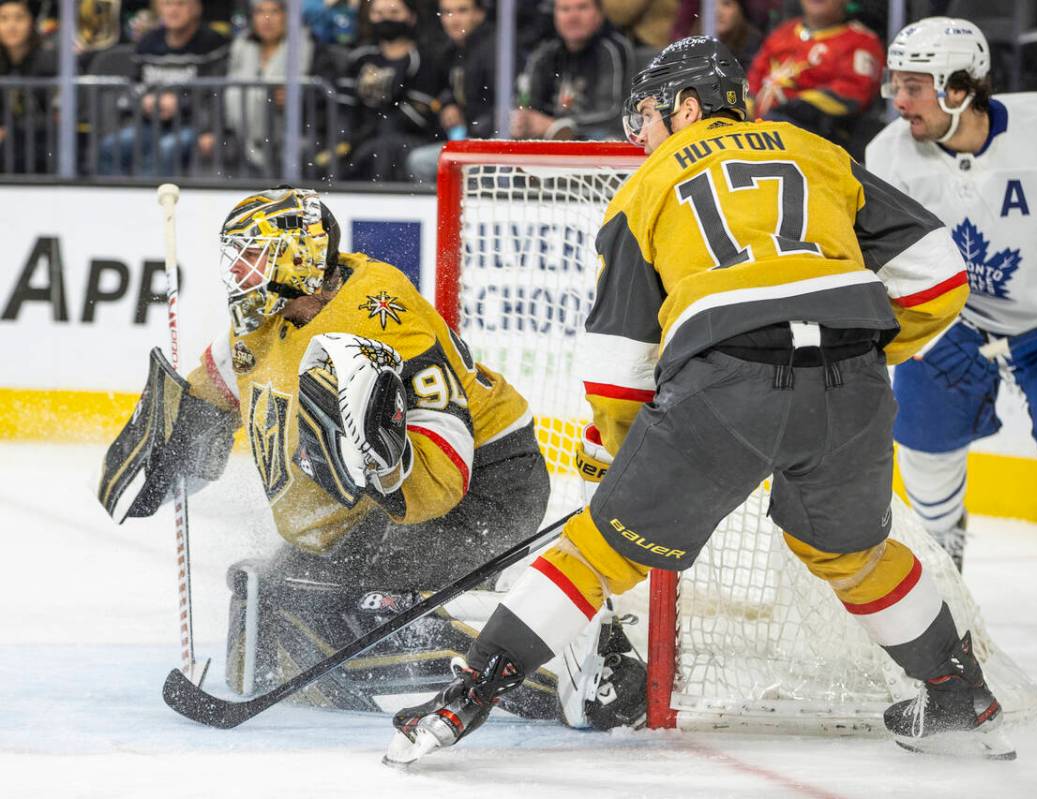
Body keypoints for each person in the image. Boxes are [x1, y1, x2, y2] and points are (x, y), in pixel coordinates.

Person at [385, 36, 1016, 766]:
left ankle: (463, 697)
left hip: (727, 387)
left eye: (647, 117)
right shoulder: (815, 150)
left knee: (594, 553)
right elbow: (939, 274)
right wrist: (867, 350)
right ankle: (955, 689)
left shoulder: (646, 187)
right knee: (851, 554)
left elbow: (619, 367)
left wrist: (622, 448)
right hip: (854, 390)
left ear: (687, 107)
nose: (641, 135)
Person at [95, 186, 639, 725]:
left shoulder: (380, 316)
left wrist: (387, 487)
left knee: (364, 599)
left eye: (253, 256)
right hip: (393, 498)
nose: (239, 273)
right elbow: (221, 378)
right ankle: (399, 640)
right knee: (275, 601)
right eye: (236, 259)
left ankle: (564, 662)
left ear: (298, 257)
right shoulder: (270, 314)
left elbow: (443, 466)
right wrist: (174, 435)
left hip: (485, 486)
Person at [865, 17, 1037, 571]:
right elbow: (887, 262)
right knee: (924, 460)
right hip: (956, 323)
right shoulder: (889, 155)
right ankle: (945, 581)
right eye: (895, 85)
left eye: (914, 87)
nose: (898, 102)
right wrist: (916, 326)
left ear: (960, 88)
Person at [97, 0, 229, 176]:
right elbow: (133, 86)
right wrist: (144, 100)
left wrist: (181, 103)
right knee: (110, 147)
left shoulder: (213, 43)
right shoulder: (147, 42)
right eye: (167, 4)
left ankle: (152, 202)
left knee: (165, 149)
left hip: (194, 124)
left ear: (196, 8)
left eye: (180, 4)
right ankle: (119, 201)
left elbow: (216, 93)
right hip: (150, 123)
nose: (173, 10)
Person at [197, 0, 322, 176]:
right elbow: (214, 94)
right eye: (260, 12)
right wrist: (210, 128)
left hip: (290, 142)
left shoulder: (311, 49)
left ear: (289, 16)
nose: (267, 18)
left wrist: (299, 99)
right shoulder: (236, 49)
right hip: (236, 140)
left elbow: (325, 99)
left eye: (275, 12)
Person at [745, 0, 883, 151]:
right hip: (758, 134)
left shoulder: (862, 41)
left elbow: (852, 94)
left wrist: (788, 111)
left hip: (816, 142)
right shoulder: (783, 32)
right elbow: (753, 81)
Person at [332, 0, 444, 182]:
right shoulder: (360, 57)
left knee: (381, 150)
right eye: (379, 13)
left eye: (394, 12)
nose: (386, 19)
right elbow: (345, 104)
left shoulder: (425, 59)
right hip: (361, 136)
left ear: (411, 16)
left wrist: (378, 125)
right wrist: (347, 134)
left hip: (409, 138)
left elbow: (419, 113)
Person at [512, 0, 634, 141]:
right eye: (565, 9)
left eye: (582, 7)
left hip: (597, 144)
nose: (573, 17)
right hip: (551, 142)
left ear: (600, 13)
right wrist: (523, 121)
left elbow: (612, 114)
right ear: (555, 15)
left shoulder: (611, 50)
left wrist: (558, 126)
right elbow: (529, 104)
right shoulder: (546, 53)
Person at [404, 0, 494, 183]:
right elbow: (444, 88)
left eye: (462, 11)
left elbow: (508, 104)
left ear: (479, 14)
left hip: (492, 143)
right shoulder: (450, 51)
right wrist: (447, 104)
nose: (454, 20)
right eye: (447, 12)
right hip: (469, 138)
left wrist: (476, 129)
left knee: (420, 162)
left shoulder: (495, 49)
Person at [0, 0, 56, 174]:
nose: (12, 26)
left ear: (31, 23)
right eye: (3, 19)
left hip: (39, 143)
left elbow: (51, 114)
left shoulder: (48, 62)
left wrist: (9, 130)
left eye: (19, 18)